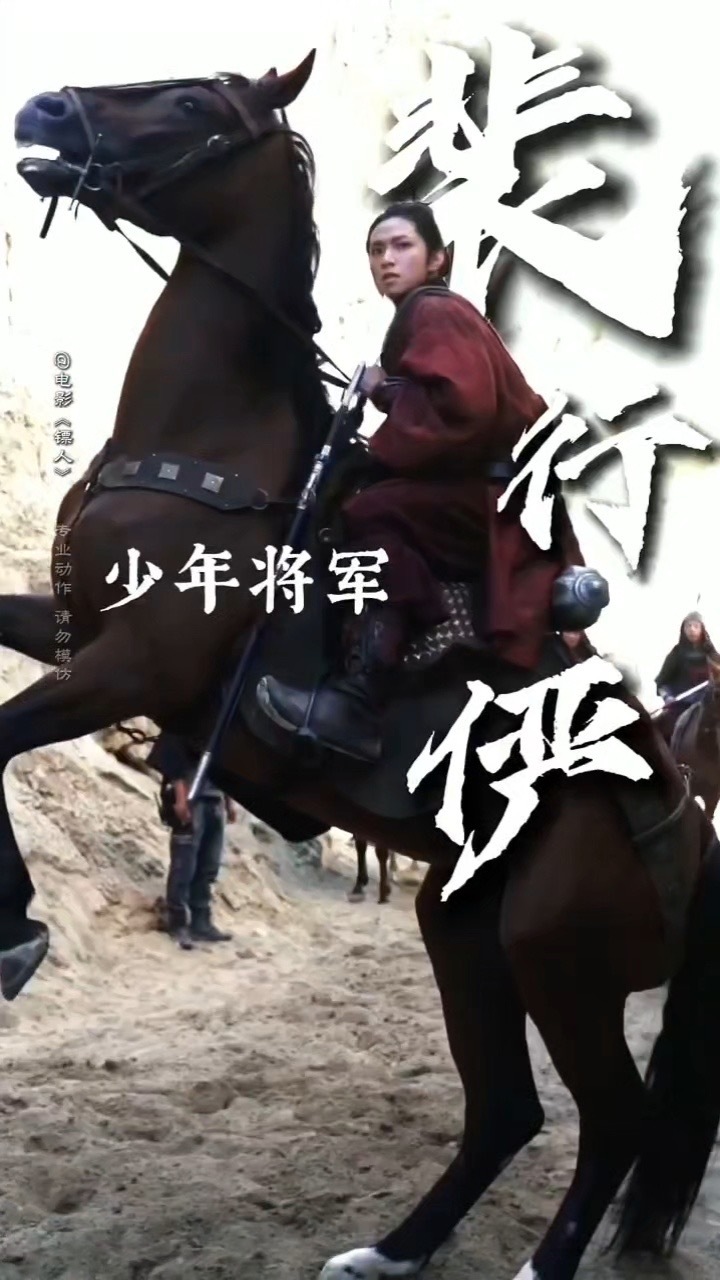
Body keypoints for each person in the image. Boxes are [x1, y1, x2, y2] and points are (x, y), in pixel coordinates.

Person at [258, 200, 584, 762]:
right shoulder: (428, 314)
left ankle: (359, 701)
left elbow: (465, 409)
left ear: (438, 259)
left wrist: (384, 391)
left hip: (491, 501)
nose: (387, 259)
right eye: (376, 250)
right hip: (495, 494)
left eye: (402, 246)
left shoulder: (433, 309)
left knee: (369, 512)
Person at [147, 732, 236, 950]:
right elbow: (174, 758)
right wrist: (180, 799)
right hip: (192, 799)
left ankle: (201, 922)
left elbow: (225, 766)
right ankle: (178, 923)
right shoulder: (186, 724)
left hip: (214, 799)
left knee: (208, 866)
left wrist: (229, 802)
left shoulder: (219, 725)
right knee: (184, 866)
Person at [655, 612, 717, 705]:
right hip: (681, 705)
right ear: (683, 630)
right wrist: (667, 697)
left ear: (702, 629)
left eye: (696, 626)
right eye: (688, 626)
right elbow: (661, 684)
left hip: (708, 704)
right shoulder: (676, 653)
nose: (692, 629)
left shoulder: (712, 654)